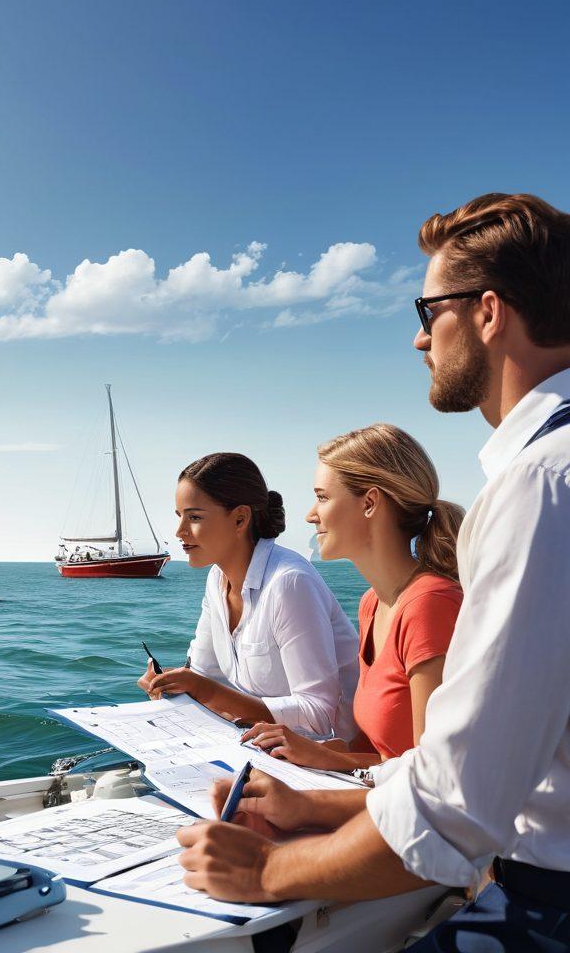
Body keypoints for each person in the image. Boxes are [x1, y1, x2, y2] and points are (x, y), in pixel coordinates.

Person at [176, 193, 570, 950]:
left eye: (430, 312)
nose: (420, 340)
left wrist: (266, 874)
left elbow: (458, 802)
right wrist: (312, 807)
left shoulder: (540, 485)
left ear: (488, 313)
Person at [241, 424, 464, 774]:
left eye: (323, 497)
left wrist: (323, 767)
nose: (310, 515)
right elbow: (378, 751)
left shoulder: (431, 606)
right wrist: (309, 751)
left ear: (370, 503)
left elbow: (434, 781)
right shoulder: (372, 604)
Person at [138, 452, 359, 739]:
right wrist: (170, 683)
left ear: (240, 519)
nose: (180, 531)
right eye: (179, 516)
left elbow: (320, 716)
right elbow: (203, 674)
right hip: (260, 746)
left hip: (328, 757)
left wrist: (204, 690)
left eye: (194, 517)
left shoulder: (289, 583)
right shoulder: (217, 579)